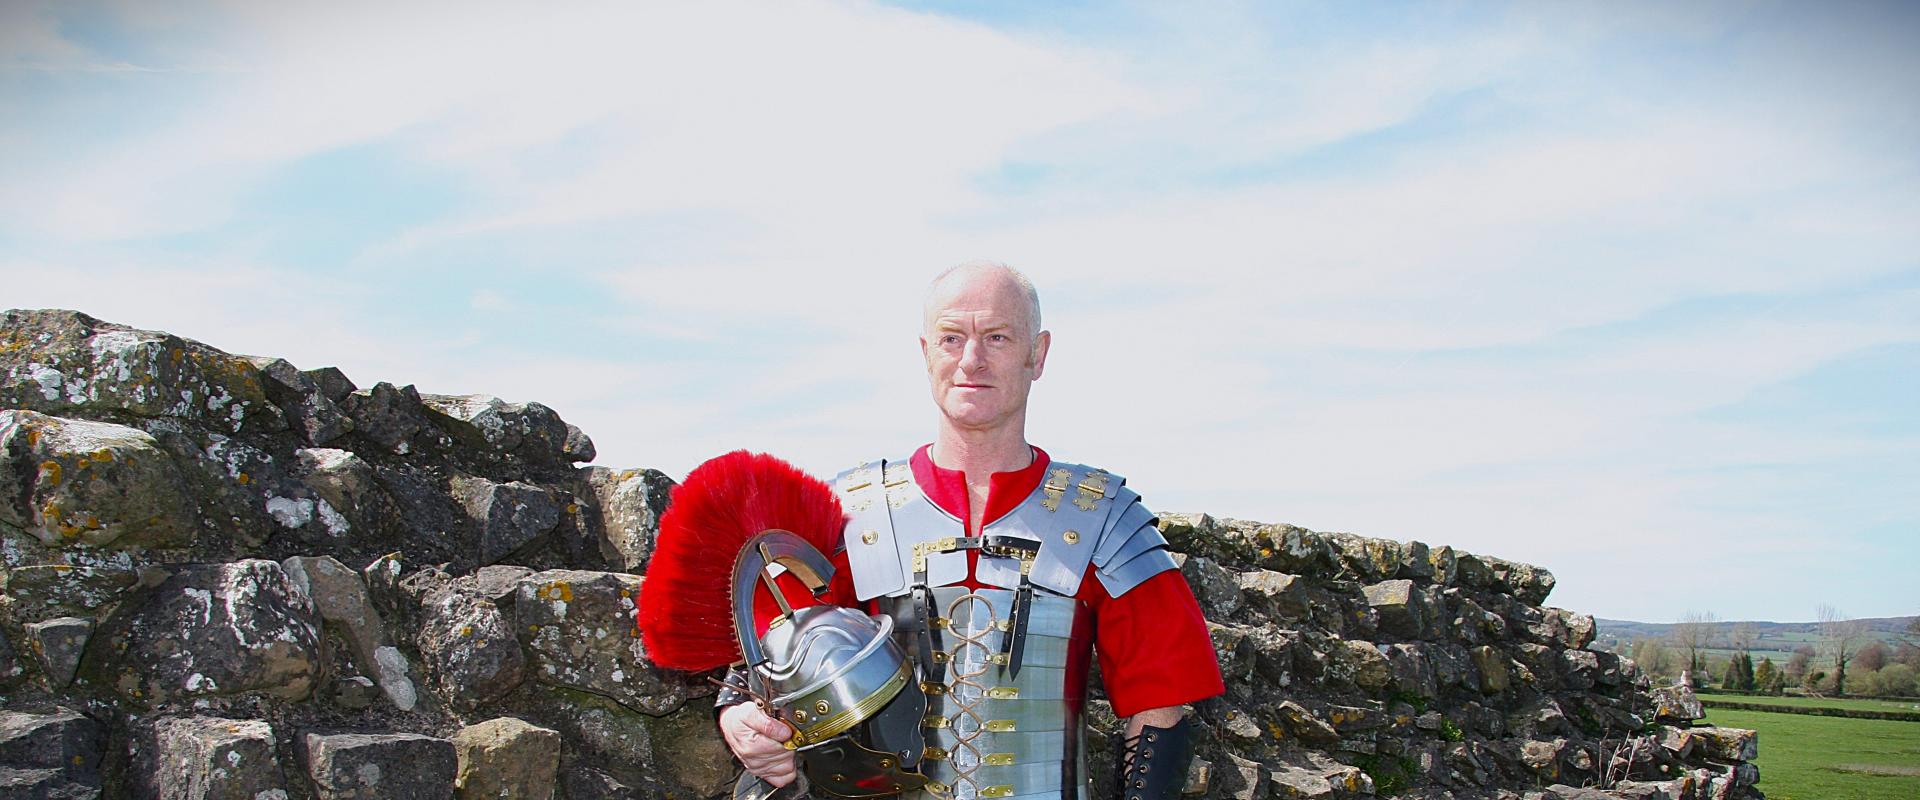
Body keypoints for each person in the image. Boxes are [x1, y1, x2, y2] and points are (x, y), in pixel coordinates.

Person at [716, 262, 1223, 800]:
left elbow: (1160, 706)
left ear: (1039, 353)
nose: (971, 360)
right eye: (952, 338)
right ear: (926, 352)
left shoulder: (1101, 518)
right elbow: (765, 661)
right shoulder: (848, 514)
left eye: (997, 338)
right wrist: (741, 719)